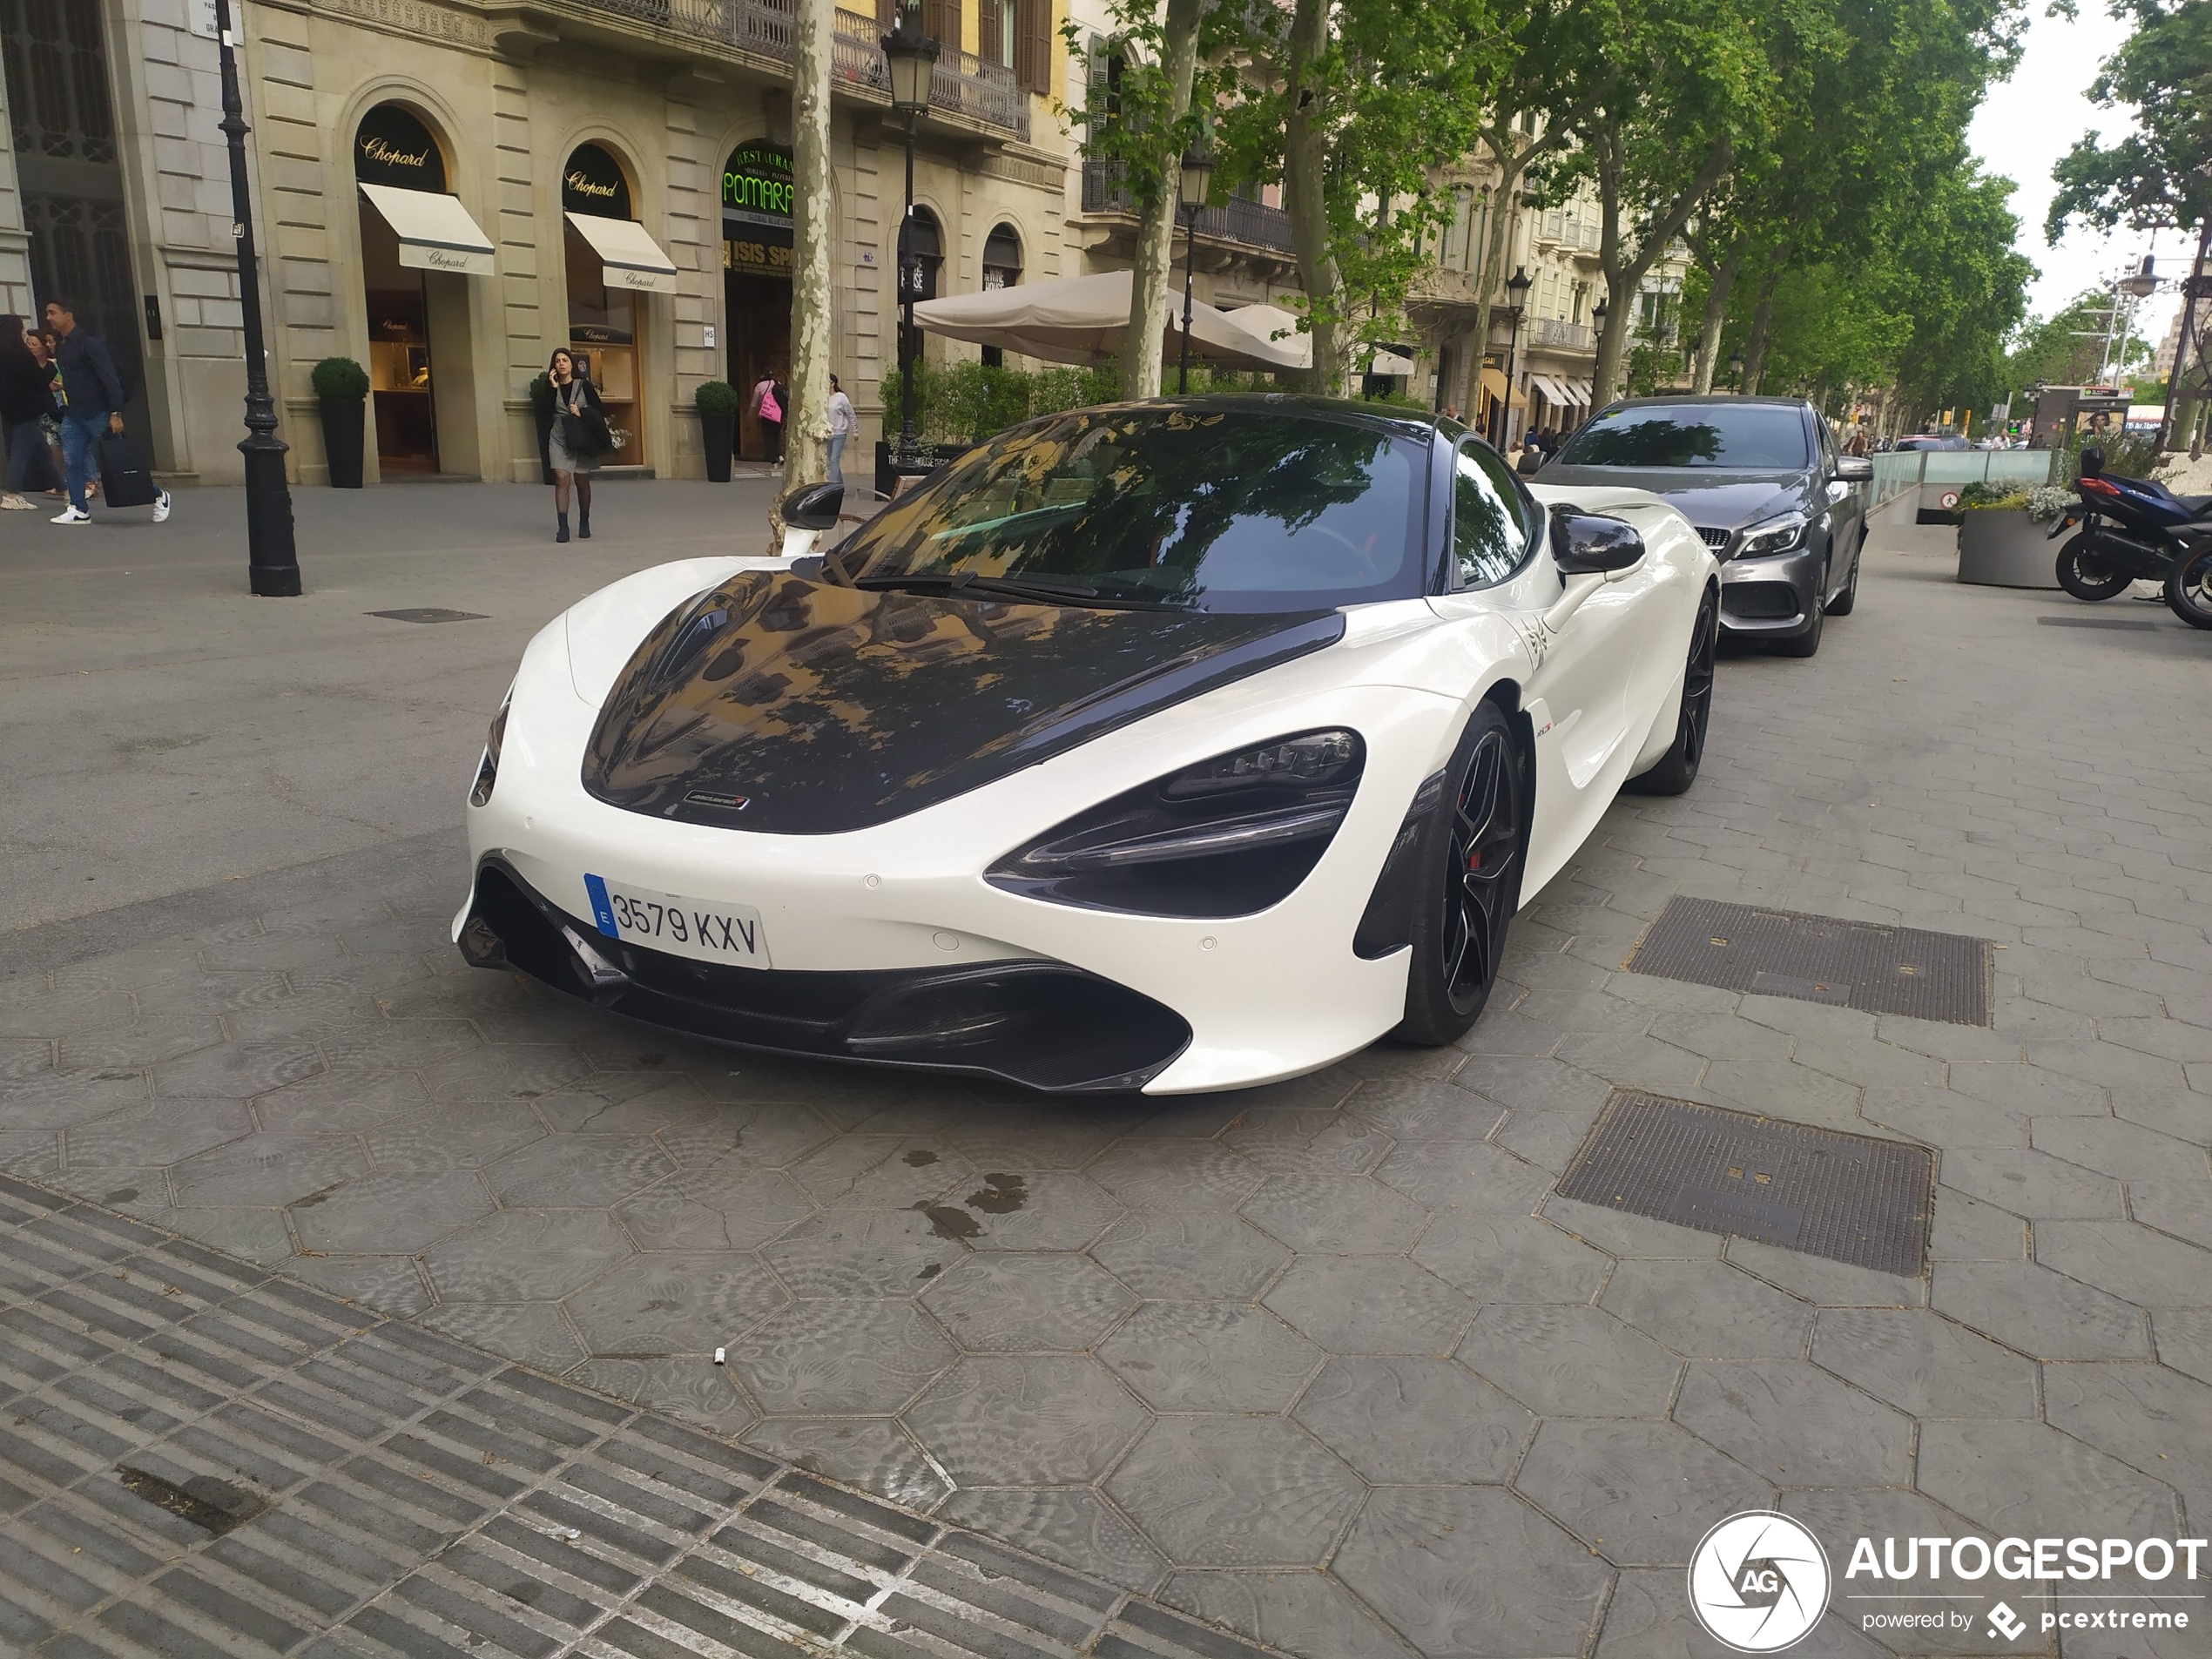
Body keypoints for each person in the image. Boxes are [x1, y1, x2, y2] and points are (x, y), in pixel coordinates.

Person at [44, 298, 165, 525]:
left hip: (98, 413)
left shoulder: (90, 344)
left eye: (53, 313)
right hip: (74, 414)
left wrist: (115, 412)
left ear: (68, 315)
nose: (49, 318)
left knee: (116, 463)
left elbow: (109, 378)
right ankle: (79, 508)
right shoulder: (62, 346)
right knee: (73, 461)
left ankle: (157, 494)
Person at [543, 347, 606, 543]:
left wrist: (582, 412)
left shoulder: (584, 385)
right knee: (562, 478)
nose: (561, 364)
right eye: (557, 361)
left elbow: (599, 409)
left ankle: (584, 520)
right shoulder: (551, 386)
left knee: (581, 480)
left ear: (572, 364)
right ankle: (563, 527)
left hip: (581, 436)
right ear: (554, 366)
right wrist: (553, 388)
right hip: (559, 436)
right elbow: (544, 411)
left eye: (565, 360)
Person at [0, 314, 54, 510]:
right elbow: (38, 379)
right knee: (21, 453)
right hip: (28, 410)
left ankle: (64, 488)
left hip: (9, 410)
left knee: (41, 451)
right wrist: (50, 372)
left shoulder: (3, 354)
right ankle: (12, 494)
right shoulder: (21, 354)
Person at [826, 373, 856, 485]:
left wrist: (855, 430)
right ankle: (839, 485)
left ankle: (831, 486)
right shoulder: (824, 398)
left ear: (833, 383)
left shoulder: (841, 397)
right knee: (831, 461)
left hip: (839, 432)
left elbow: (850, 414)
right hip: (828, 433)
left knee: (834, 460)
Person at [751, 369, 785, 464]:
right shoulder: (778, 383)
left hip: (766, 414)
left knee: (768, 435)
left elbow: (754, 403)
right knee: (777, 435)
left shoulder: (760, 386)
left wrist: (751, 414)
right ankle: (779, 454)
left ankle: (771, 457)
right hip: (778, 414)